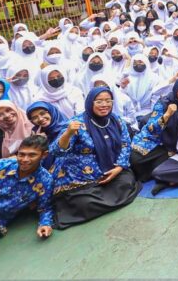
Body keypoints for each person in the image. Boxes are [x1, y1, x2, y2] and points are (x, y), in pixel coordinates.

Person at [50, 87, 139, 228]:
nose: (104, 105)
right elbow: (57, 151)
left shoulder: (116, 120)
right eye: (99, 101)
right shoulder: (76, 123)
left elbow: (125, 144)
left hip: (111, 168)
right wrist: (68, 134)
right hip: (81, 175)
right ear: (90, 102)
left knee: (126, 183)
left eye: (108, 100)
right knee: (84, 203)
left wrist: (119, 167)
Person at [0, 135, 54, 245]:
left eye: (32, 155)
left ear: (44, 155)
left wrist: (45, 224)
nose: (25, 159)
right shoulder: (1, 165)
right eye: (21, 154)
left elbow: (45, 208)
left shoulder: (45, 180)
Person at [130, 75, 178, 182]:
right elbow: (152, 129)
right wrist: (167, 115)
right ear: (176, 88)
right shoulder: (163, 102)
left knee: (160, 167)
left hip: (171, 148)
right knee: (134, 160)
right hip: (152, 140)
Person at [0, 100, 33, 164]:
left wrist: (18, 157)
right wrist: (5, 161)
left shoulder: (33, 125)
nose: (7, 115)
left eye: (8, 110)